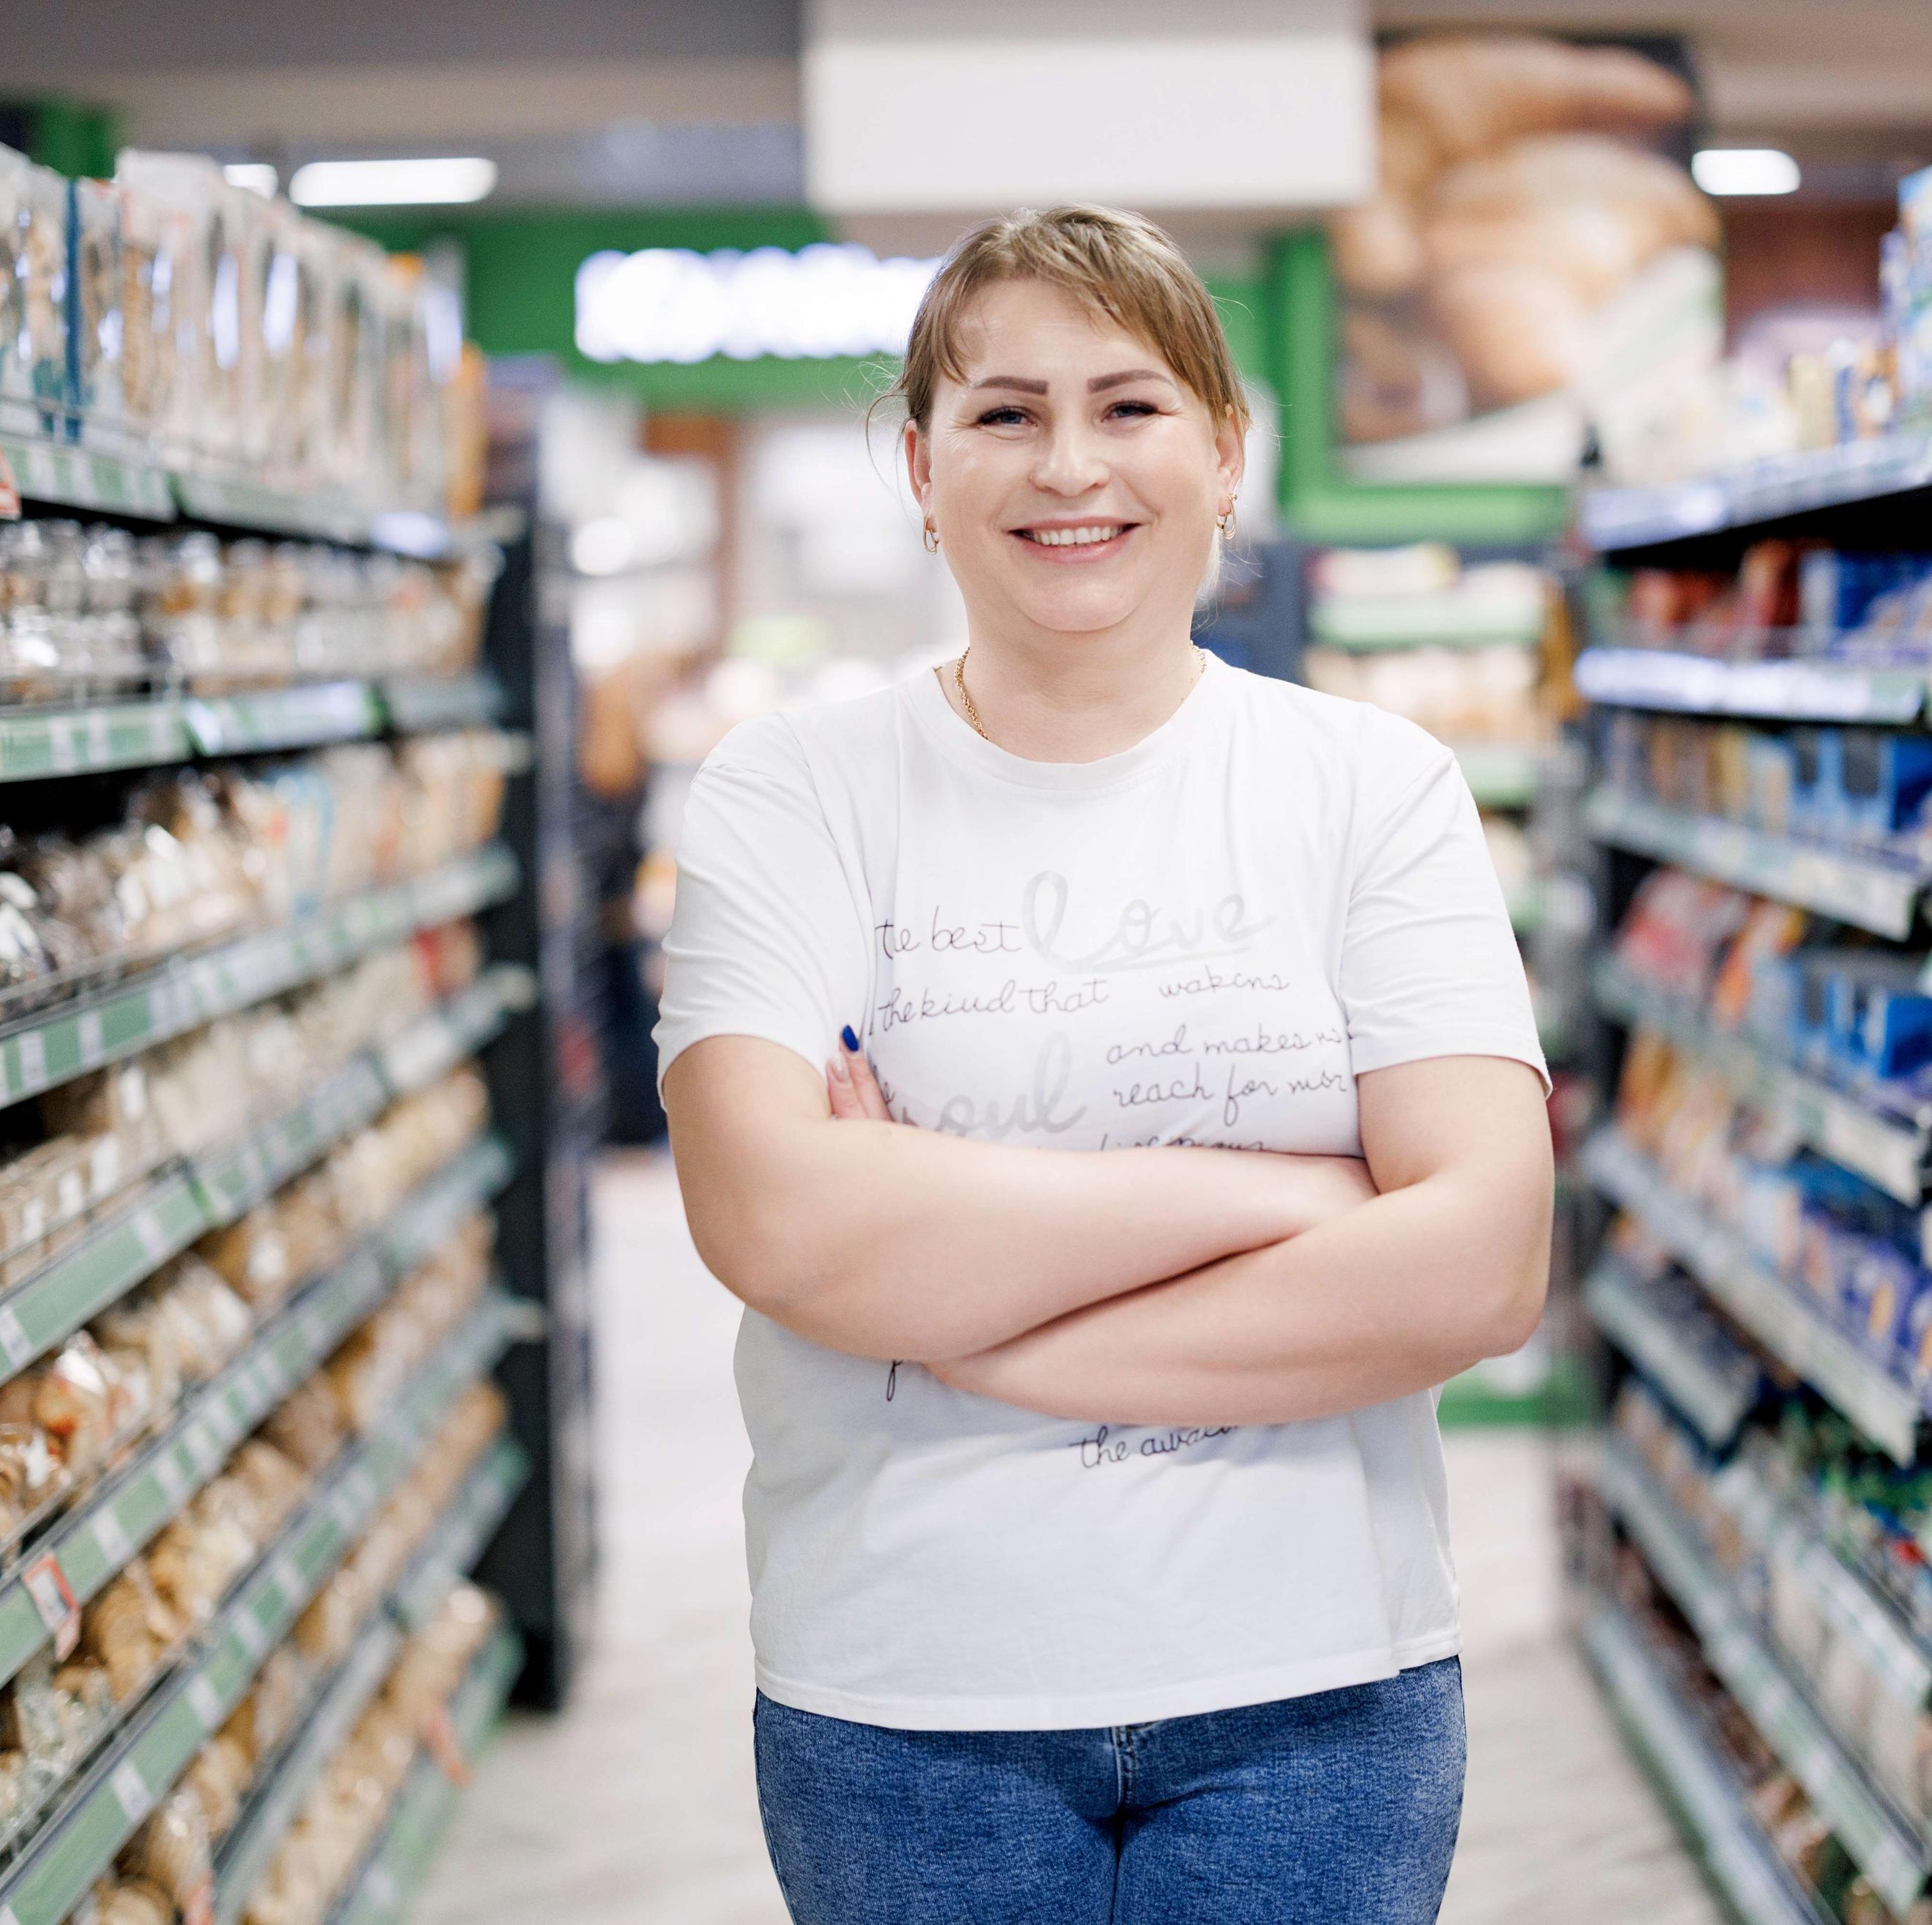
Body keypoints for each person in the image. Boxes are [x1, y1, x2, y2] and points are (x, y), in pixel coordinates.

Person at [654, 203, 1554, 1925]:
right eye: (1003, 412)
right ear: (918, 466)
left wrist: (946, 1289)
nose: (1068, 463)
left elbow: (1480, 1257)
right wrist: (1281, 1196)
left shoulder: (1371, 787)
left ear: (1225, 452)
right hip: (906, 1702)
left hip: (1316, 1697)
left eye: (1127, 406)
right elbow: (776, 1224)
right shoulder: (791, 794)